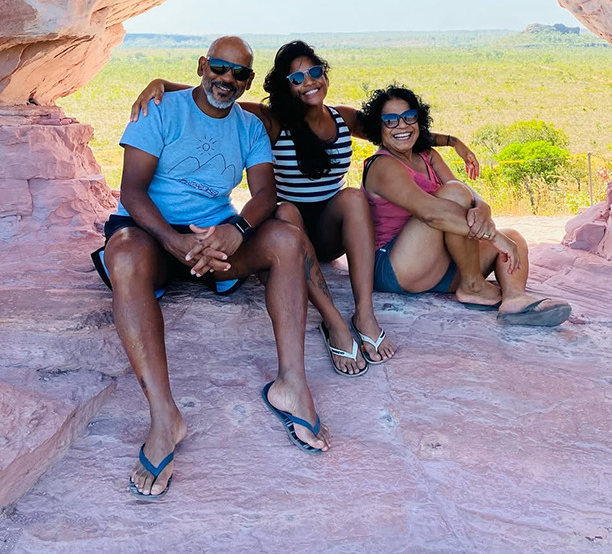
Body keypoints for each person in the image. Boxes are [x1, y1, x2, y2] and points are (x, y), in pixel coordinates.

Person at [131, 41, 479, 373]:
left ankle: (364, 314)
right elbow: (219, 93)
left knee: (353, 197)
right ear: (287, 87)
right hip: (290, 228)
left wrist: (453, 142)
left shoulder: (342, 118)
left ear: (324, 74)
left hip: (329, 230)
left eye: (314, 72)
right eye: (297, 78)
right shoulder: (272, 120)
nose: (308, 82)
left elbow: (393, 129)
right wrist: (161, 83)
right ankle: (333, 322)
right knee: (286, 211)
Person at [96, 37, 331, 501]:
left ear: (248, 81)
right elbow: (133, 191)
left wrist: (238, 229)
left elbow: (264, 193)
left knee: (284, 238)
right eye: (219, 68)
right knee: (121, 252)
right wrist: (172, 239)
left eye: (239, 74)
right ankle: (165, 418)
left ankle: (291, 385)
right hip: (154, 234)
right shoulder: (163, 109)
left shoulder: (248, 126)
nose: (227, 80)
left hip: (218, 238)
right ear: (203, 65)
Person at [359, 85, 572, 326]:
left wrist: (482, 205)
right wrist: (494, 237)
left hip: (435, 266)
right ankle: (472, 284)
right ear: (378, 126)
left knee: (514, 237)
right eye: (390, 120)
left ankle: (514, 300)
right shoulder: (382, 166)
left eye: (409, 117)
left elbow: (465, 190)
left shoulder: (427, 155)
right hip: (398, 267)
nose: (402, 126)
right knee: (456, 197)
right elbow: (431, 213)